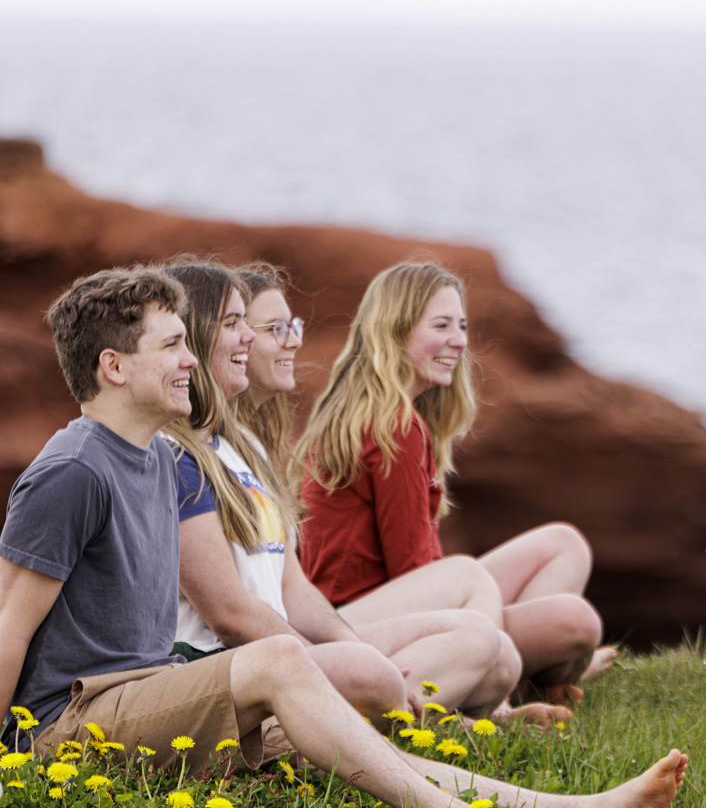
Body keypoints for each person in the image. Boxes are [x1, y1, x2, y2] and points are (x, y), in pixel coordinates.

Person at [0, 265, 688, 808]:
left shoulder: (161, 459)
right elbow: (5, 632)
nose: (192, 360)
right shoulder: (72, 473)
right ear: (114, 366)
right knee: (281, 661)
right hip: (70, 725)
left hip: (150, 696)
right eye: (174, 345)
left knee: (322, 731)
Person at [162, 261, 515, 715]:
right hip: (235, 665)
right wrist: (329, 662)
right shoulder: (174, 455)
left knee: (484, 640)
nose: (255, 338)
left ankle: (387, 715)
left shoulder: (243, 446)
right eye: (237, 324)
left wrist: (353, 647)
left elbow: (293, 585)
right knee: (468, 603)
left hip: (293, 638)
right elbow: (229, 615)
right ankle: (391, 722)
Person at [295, 261, 616, 701]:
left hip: (387, 607)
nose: (459, 341)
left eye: (461, 326)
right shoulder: (394, 426)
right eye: (441, 325)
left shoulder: (380, 414)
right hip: (357, 623)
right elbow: (413, 570)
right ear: (396, 330)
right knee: (572, 622)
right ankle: (501, 688)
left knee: (563, 544)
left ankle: (522, 669)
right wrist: (479, 610)